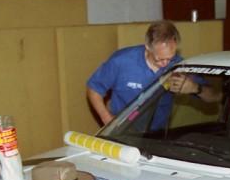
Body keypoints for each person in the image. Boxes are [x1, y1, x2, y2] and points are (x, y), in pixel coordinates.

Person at [86, 20, 218, 126]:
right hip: (123, 131)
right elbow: (94, 89)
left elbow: (215, 96)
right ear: (148, 47)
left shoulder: (178, 65)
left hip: (157, 135)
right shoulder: (122, 61)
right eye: (160, 59)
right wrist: (106, 118)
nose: (166, 64)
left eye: (170, 58)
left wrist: (195, 88)